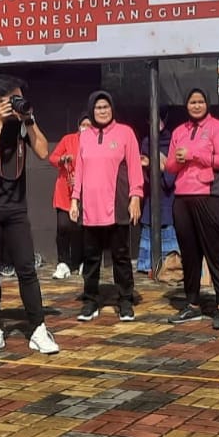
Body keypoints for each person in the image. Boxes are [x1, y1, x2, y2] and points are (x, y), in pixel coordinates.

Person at [0, 74, 58, 355]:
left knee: (27, 269)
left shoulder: (22, 120)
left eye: (20, 97)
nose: (17, 103)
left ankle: (38, 328)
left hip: (16, 206)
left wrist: (29, 120)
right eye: (12, 99)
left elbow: (43, 152)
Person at [164, 89, 219, 330]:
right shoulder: (179, 131)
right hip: (182, 197)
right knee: (189, 254)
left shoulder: (218, 128)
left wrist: (194, 154)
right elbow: (170, 166)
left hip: (209, 195)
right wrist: (178, 160)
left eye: (200, 102)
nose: (196, 106)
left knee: (215, 252)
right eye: (192, 102)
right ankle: (192, 304)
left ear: (207, 104)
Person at [70, 91, 143, 323]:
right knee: (91, 257)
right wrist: (75, 199)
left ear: (112, 108)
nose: (102, 111)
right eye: (98, 107)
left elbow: (135, 167)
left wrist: (136, 196)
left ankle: (125, 300)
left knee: (121, 256)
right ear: (91, 110)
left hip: (117, 204)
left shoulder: (125, 133)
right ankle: (91, 301)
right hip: (90, 207)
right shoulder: (85, 136)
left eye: (106, 107)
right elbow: (79, 170)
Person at [136, 106, 179, 276]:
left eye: (160, 118)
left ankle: (169, 265)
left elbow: (172, 171)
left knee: (167, 226)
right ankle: (148, 265)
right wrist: (155, 164)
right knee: (150, 224)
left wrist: (157, 163)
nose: (157, 122)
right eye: (152, 118)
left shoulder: (173, 140)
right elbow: (144, 170)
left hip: (168, 195)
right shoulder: (146, 142)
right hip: (151, 195)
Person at [49, 112, 90, 280]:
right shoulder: (68, 139)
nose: (86, 128)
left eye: (89, 125)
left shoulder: (95, 143)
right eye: (83, 125)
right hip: (64, 192)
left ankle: (80, 261)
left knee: (80, 229)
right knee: (63, 227)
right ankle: (63, 263)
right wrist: (62, 159)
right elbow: (52, 158)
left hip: (85, 193)